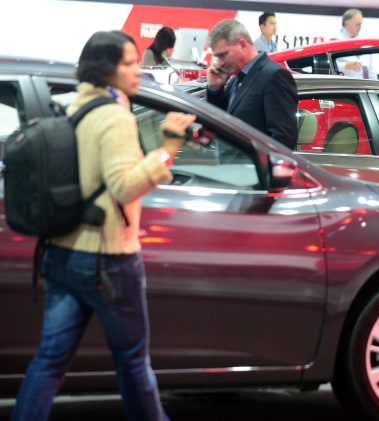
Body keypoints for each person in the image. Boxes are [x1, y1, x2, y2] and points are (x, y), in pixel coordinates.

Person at [11, 30, 195, 421]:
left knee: (49, 361)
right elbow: (123, 186)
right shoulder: (115, 116)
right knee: (132, 361)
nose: (137, 69)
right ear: (106, 69)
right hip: (108, 259)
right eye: (128, 63)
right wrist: (168, 149)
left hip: (62, 253)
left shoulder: (77, 107)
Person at [206, 19, 298, 150]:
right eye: (217, 57)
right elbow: (219, 128)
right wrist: (215, 89)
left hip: (254, 169)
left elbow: (283, 139)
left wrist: (258, 168)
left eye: (223, 55)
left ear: (242, 45)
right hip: (231, 168)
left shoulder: (274, 76)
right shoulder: (234, 81)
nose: (220, 63)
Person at [335, 9, 366, 78]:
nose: (360, 27)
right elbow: (326, 65)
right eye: (358, 24)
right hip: (343, 85)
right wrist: (346, 66)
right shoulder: (334, 40)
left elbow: (370, 66)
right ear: (347, 24)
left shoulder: (361, 39)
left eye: (361, 24)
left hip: (361, 85)